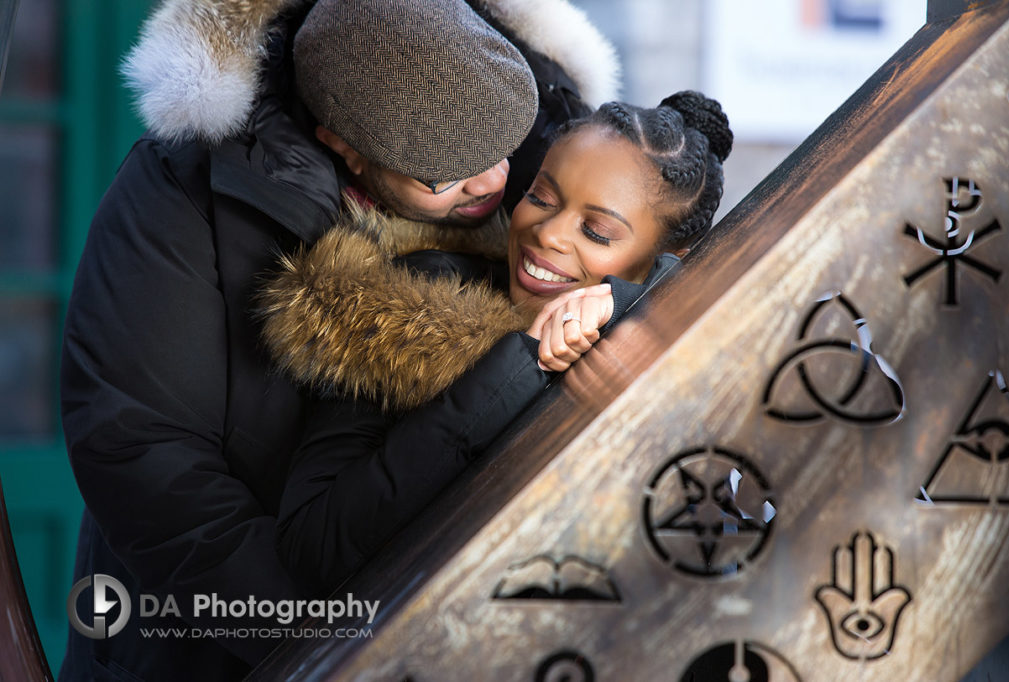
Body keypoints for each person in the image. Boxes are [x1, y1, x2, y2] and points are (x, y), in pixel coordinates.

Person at [58, 0, 618, 679]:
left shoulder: (543, 148)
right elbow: (145, 455)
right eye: (444, 173)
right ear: (340, 144)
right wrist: (325, 650)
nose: (494, 181)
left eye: (501, 150)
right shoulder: (182, 192)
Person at [258, 91, 734, 596]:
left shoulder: (682, 367)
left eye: (596, 231)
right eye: (542, 198)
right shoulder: (413, 303)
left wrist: (628, 304)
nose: (547, 233)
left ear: (666, 258)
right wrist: (519, 366)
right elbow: (311, 547)